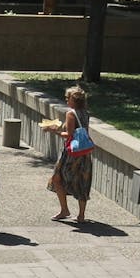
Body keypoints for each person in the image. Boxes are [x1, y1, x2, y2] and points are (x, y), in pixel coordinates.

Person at [46, 85, 93, 223]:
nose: (66, 100)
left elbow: (70, 135)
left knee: (57, 178)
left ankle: (64, 210)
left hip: (72, 153)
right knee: (82, 180)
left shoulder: (71, 113)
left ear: (73, 100)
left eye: (67, 98)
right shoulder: (85, 112)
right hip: (84, 152)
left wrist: (53, 130)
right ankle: (81, 215)